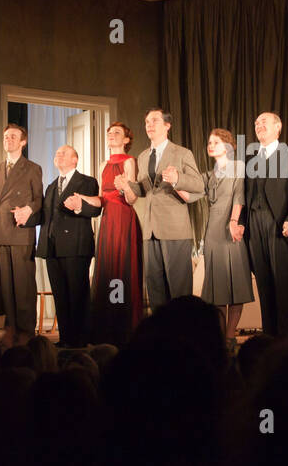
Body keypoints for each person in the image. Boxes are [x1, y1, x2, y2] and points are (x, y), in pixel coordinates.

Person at [123, 109, 204, 308]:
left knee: (178, 289)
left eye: (154, 120)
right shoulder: (143, 156)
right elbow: (144, 189)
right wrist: (127, 185)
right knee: (154, 287)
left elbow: (199, 185)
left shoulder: (182, 153)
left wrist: (178, 179)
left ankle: (182, 335)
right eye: (147, 121)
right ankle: (160, 334)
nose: (149, 124)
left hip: (174, 229)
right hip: (150, 229)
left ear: (167, 126)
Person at [184, 129, 253, 342]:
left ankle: (230, 336)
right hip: (212, 232)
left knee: (236, 286)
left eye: (215, 142)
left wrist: (233, 222)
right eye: (209, 142)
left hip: (230, 229)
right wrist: (173, 181)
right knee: (218, 290)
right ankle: (222, 337)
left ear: (228, 146)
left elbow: (239, 197)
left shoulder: (237, 168)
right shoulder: (208, 175)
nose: (210, 145)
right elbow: (189, 196)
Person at [84, 122, 145, 345]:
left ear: (126, 140)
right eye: (109, 133)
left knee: (121, 270)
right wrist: (84, 200)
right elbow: (101, 199)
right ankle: (106, 327)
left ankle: (122, 327)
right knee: (108, 269)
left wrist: (124, 187)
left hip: (123, 219)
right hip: (107, 219)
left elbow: (132, 199)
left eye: (116, 133)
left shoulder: (130, 162)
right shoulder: (103, 164)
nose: (111, 136)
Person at [244, 112, 288, 337]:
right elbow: (246, 193)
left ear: (278, 127)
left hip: (279, 223)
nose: (258, 125)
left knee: (283, 285)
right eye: (256, 122)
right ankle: (268, 341)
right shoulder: (250, 158)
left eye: (264, 122)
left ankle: (284, 343)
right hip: (255, 225)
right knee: (264, 285)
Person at [39, 145, 100, 348]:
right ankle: (65, 338)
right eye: (57, 153)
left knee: (77, 294)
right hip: (51, 248)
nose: (58, 155)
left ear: (75, 160)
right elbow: (44, 216)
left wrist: (80, 206)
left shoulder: (88, 182)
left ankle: (81, 340)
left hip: (76, 245)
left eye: (63, 153)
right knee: (60, 295)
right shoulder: (50, 186)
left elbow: (95, 210)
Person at [0, 124, 44, 345]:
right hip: (1, 230)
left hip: (21, 231)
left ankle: (26, 332)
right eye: (5, 136)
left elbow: (39, 199)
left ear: (23, 142)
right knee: (6, 286)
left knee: (23, 285)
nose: (8, 139)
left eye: (13, 136)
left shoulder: (32, 168)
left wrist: (28, 210)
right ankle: (11, 329)